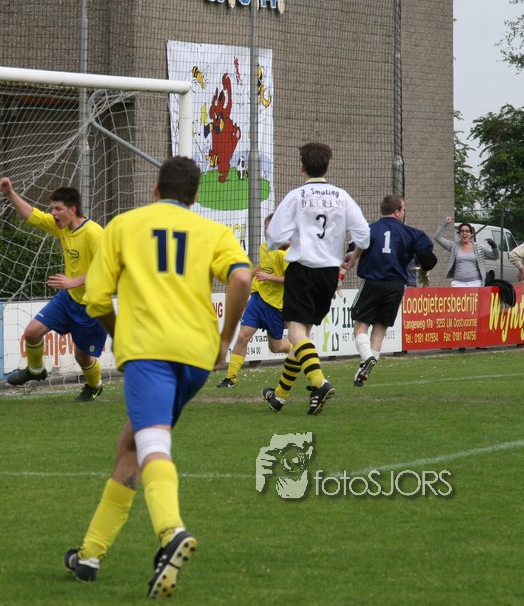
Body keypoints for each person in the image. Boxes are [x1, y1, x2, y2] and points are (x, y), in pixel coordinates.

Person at [63, 156, 250, 597]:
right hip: (197, 356)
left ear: (155, 188)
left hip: (149, 353)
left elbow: (96, 299)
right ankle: (89, 555)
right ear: (195, 196)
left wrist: (119, 334)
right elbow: (242, 279)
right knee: (131, 444)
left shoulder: (124, 226)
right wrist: (225, 339)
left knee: (152, 446)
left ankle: (171, 533)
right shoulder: (213, 231)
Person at [263, 142, 370, 415]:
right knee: (303, 338)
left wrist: (286, 241)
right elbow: (364, 235)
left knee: (295, 334)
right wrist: (354, 255)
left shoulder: (296, 196)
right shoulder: (341, 196)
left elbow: (273, 237)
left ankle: (319, 383)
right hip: (329, 273)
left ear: (302, 167)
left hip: (302, 269)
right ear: (327, 167)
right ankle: (280, 395)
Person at [0, 177, 107, 402]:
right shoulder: (64, 228)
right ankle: (36, 370)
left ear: (72, 210)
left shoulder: (94, 233)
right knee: (31, 332)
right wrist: (10, 194)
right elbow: (32, 215)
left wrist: (72, 282)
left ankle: (94, 386)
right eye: (52, 208)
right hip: (68, 299)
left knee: (82, 357)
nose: (53, 213)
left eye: (57, 209)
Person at [344, 195, 437, 387]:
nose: (404, 213)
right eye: (403, 209)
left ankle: (367, 357)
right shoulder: (412, 233)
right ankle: (364, 370)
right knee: (380, 330)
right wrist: (424, 267)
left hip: (373, 282)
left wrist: (351, 256)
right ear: (397, 212)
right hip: (396, 286)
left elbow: (352, 249)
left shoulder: (369, 229)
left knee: (360, 326)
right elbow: (428, 260)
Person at [217, 213, 290, 388]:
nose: (266, 231)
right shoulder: (264, 247)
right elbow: (263, 266)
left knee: (276, 347)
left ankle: (302, 349)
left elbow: (293, 280)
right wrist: (247, 275)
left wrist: (269, 277)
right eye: (265, 228)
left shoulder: (286, 254)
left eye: (270, 228)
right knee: (243, 336)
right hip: (257, 298)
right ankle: (230, 378)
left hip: (275, 305)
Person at [433, 218, 494, 287]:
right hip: (458, 283)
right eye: (462, 231)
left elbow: (494, 256)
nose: (464, 233)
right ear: (459, 234)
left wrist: (494, 246)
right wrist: (445, 223)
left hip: (475, 283)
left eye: (467, 231)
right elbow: (437, 237)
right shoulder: (453, 246)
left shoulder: (479, 247)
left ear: (471, 234)